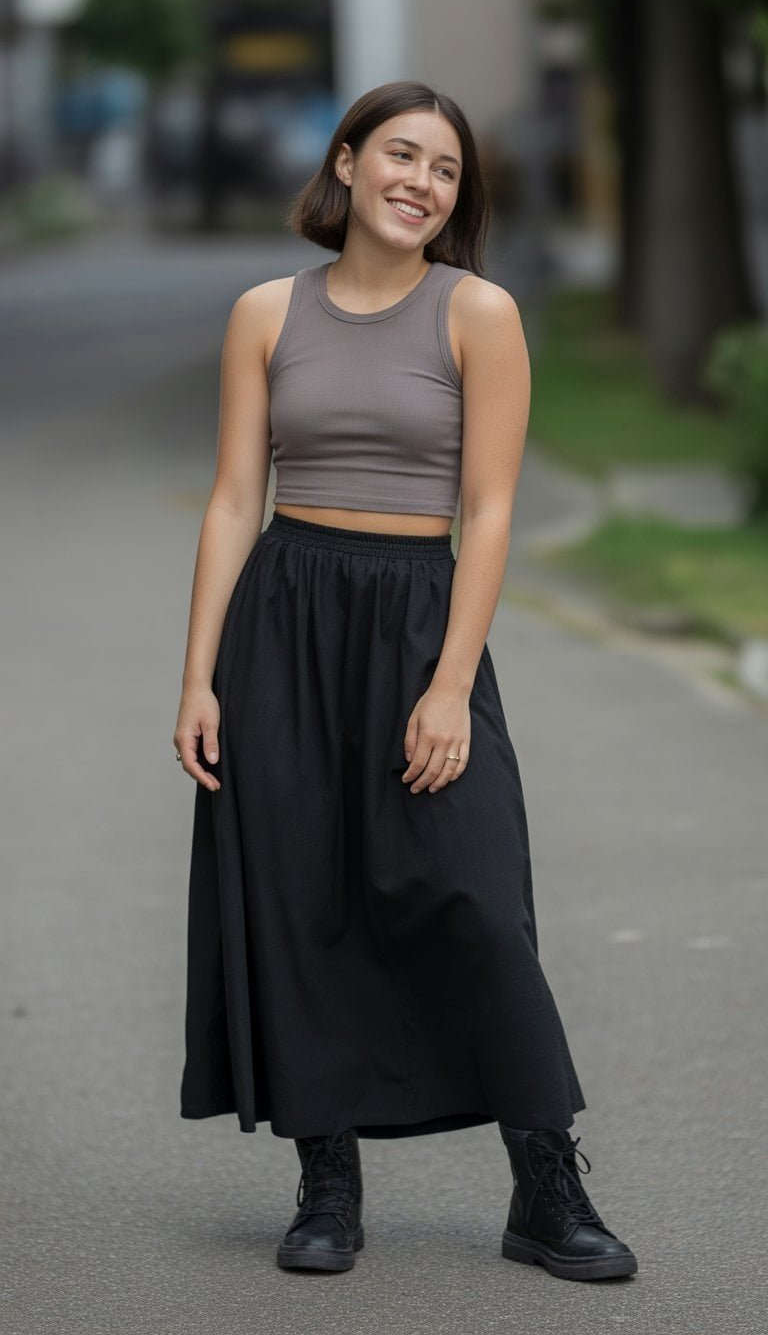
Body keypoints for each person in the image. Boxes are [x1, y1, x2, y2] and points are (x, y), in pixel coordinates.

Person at [172, 79, 637, 1283]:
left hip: (423, 620)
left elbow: (487, 512)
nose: (421, 182)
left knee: (473, 896)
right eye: (401, 154)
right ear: (345, 162)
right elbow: (234, 501)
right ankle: (326, 1183)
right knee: (299, 899)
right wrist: (199, 678)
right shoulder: (264, 312)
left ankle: (546, 1183)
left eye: (444, 170)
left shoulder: (478, 313)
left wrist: (449, 683)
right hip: (283, 620)